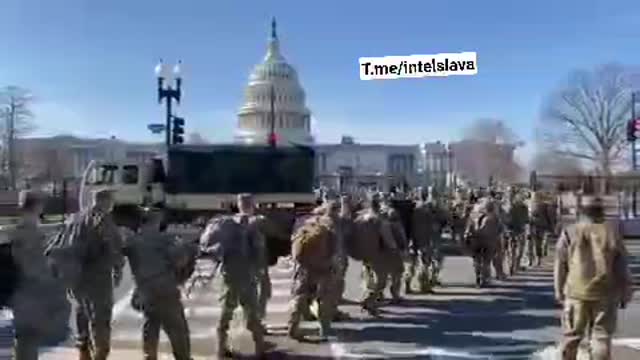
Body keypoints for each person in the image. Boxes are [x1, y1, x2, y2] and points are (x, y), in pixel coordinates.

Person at [554, 197, 634, 360]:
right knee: (601, 337)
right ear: (601, 211)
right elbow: (621, 267)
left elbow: (560, 263)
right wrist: (626, 292)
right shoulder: (612, 233)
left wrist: (558, 289)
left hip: (575, 292)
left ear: (580, 211)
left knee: (571, 337)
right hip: (605, 293)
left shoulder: (570, 231)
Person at [124, 208, 193, 360]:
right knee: (177, 328)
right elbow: (180, 261)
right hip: (165, 288)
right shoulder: (166, 239)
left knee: (151, 323)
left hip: (145, 290)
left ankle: (149, 355)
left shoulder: (133, 241)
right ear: (158, 221)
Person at [9, 190, 70, 360]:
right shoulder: (26, 231)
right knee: (27, 337)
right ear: (35, 206)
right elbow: (29, 264)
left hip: (30, 291)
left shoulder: (29, 229)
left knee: (28, 338)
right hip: (28, 291)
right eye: (41, 204)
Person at [70, 189, 125, 360]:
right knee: (101, 317)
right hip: (99, 276)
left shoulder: (76, 218)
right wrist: (118, 269)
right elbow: (114, 248)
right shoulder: (104, 220)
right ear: (105, 201)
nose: (113, 204)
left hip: (78, 277)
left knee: (82, 312)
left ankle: (83, 352)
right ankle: (101, 354)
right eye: (111, 200)